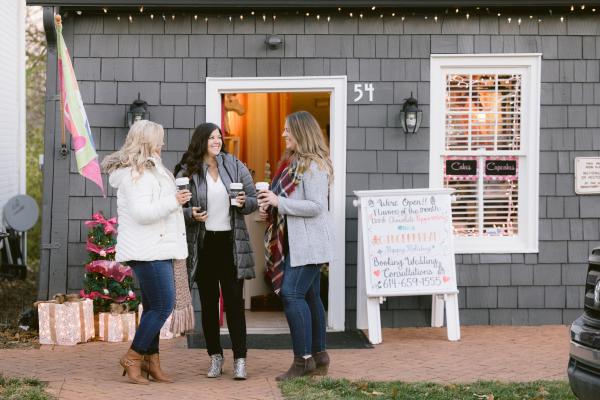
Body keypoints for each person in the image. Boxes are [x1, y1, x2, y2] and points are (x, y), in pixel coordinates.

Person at [102, 120, 190, 384]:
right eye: (159, 139)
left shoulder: (152, 169)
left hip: (158, 246)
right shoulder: (134, 174)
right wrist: (174, 201)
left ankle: (152, 362)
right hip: (147, 249)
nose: (162, 143)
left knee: (153, 306)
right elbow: (142, 213)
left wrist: (177, 202)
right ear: (147, 141)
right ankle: (133, 356)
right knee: (163, 306)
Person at [174, 122, 257, 380]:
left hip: (230, 244)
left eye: (219, 137)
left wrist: (243, 203)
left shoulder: (235, 165)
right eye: (211, 137)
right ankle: (215, 357)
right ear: (201, 140)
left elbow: (253, 200)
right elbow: (175, 207)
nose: (217, 141)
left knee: (233, 304)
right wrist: (190, 214)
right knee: (209, 305)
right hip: (203, 245)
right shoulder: (187, 170)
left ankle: (240, 359)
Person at [258, 111, 334, 381]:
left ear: (301, 132)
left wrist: (280, 203)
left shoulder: (313, 165)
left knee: (291, 294)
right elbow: (289, 200)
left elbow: (316, 207)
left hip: (311, 244)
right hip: (297, 243)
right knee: (310, 296)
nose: (283, 134)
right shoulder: (294, 164)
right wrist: (270, 202)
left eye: (288, 130)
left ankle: (303, 361)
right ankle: (319, 355)